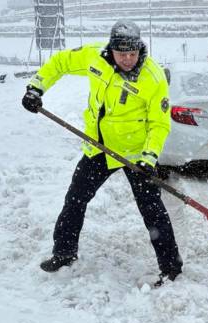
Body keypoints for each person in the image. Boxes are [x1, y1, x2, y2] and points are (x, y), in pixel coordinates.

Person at [22, 20, 183, 286]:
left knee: (152, 212)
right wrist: (36, 87)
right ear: (111, 50)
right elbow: (61, 62)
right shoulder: (95, 57)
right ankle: (64, 253)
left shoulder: (152, 78)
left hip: (135, 154)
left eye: (133, 54)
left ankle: (171, 269)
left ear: (140, 49)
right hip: (98, 147)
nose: (128, 59)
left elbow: (159, 123)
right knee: (75, 200)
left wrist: (149, 157)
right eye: (122, 54)